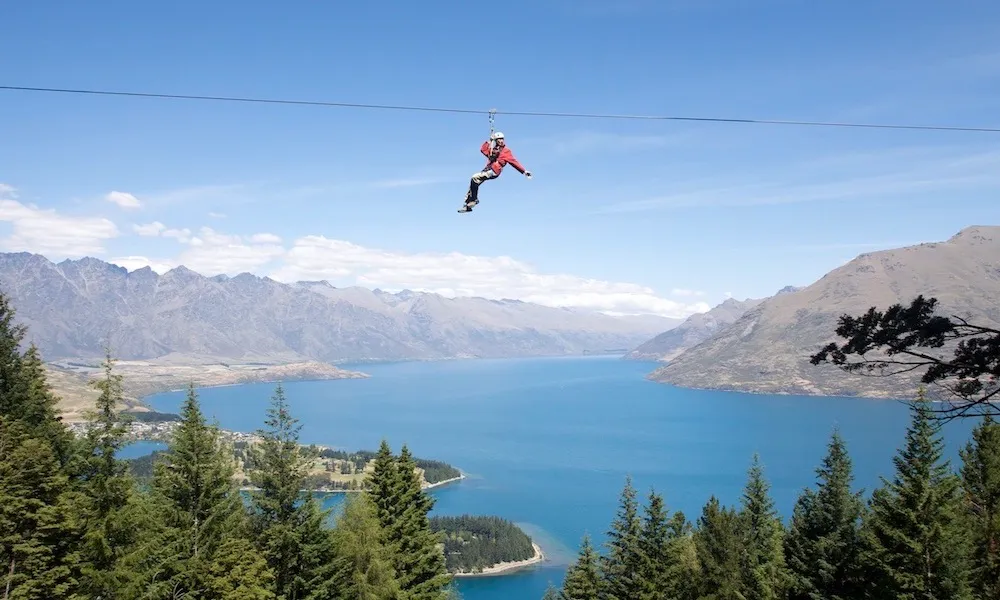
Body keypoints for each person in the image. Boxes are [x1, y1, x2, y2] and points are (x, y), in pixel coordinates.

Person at [460, 131, 531, 212]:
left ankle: (474, 199)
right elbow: (483, 150)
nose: (501, 141)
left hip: (494, 171)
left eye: (502, 139)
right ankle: (468, 205)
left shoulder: (506, 151)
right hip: (487, 170)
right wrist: (490, 141)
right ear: (496, 141)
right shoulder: (493, 150)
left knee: (474, 177)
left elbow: (514, 162)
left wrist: (524, 171)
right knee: (473, 184)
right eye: (499, 139)